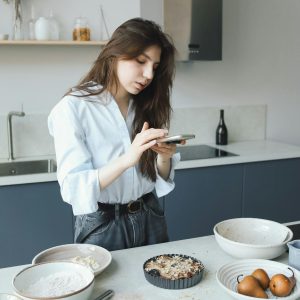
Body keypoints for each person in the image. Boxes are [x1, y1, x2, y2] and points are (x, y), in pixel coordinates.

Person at [48, 18, 182, 251]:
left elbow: (156, 180)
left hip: (151, 214)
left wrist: (164, 157)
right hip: (102, 225)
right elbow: (73, 187)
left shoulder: (147, 104)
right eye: (141, 61)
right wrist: (127, 160)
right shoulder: (73, 109)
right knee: (108, 289)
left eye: (155, 67)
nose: (149, 74)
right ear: (115, 54)